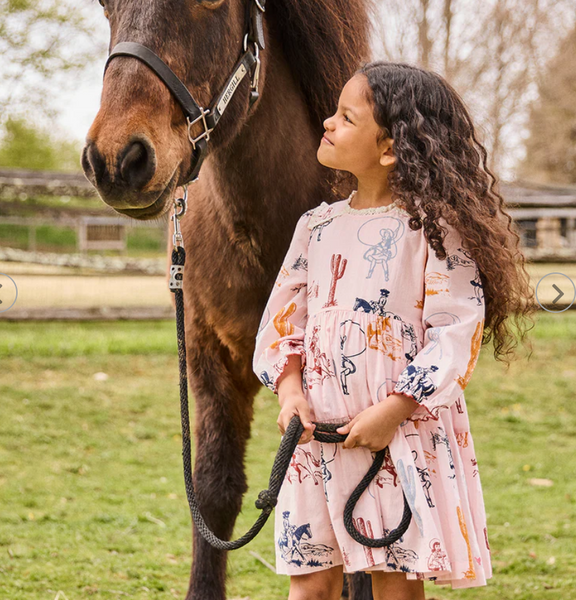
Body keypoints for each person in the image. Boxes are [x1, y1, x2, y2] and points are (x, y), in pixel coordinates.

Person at [252, 61, 535, 600]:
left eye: (346, 117)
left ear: (388, 148)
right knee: (309, 582)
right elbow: (283, 321)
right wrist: (290, 394)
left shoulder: (431, 229)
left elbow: (455, 332)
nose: (328, 124)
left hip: (395, 436)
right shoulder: (316, 227)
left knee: (393, 582)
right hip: (317, 439)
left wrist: (394, 410)